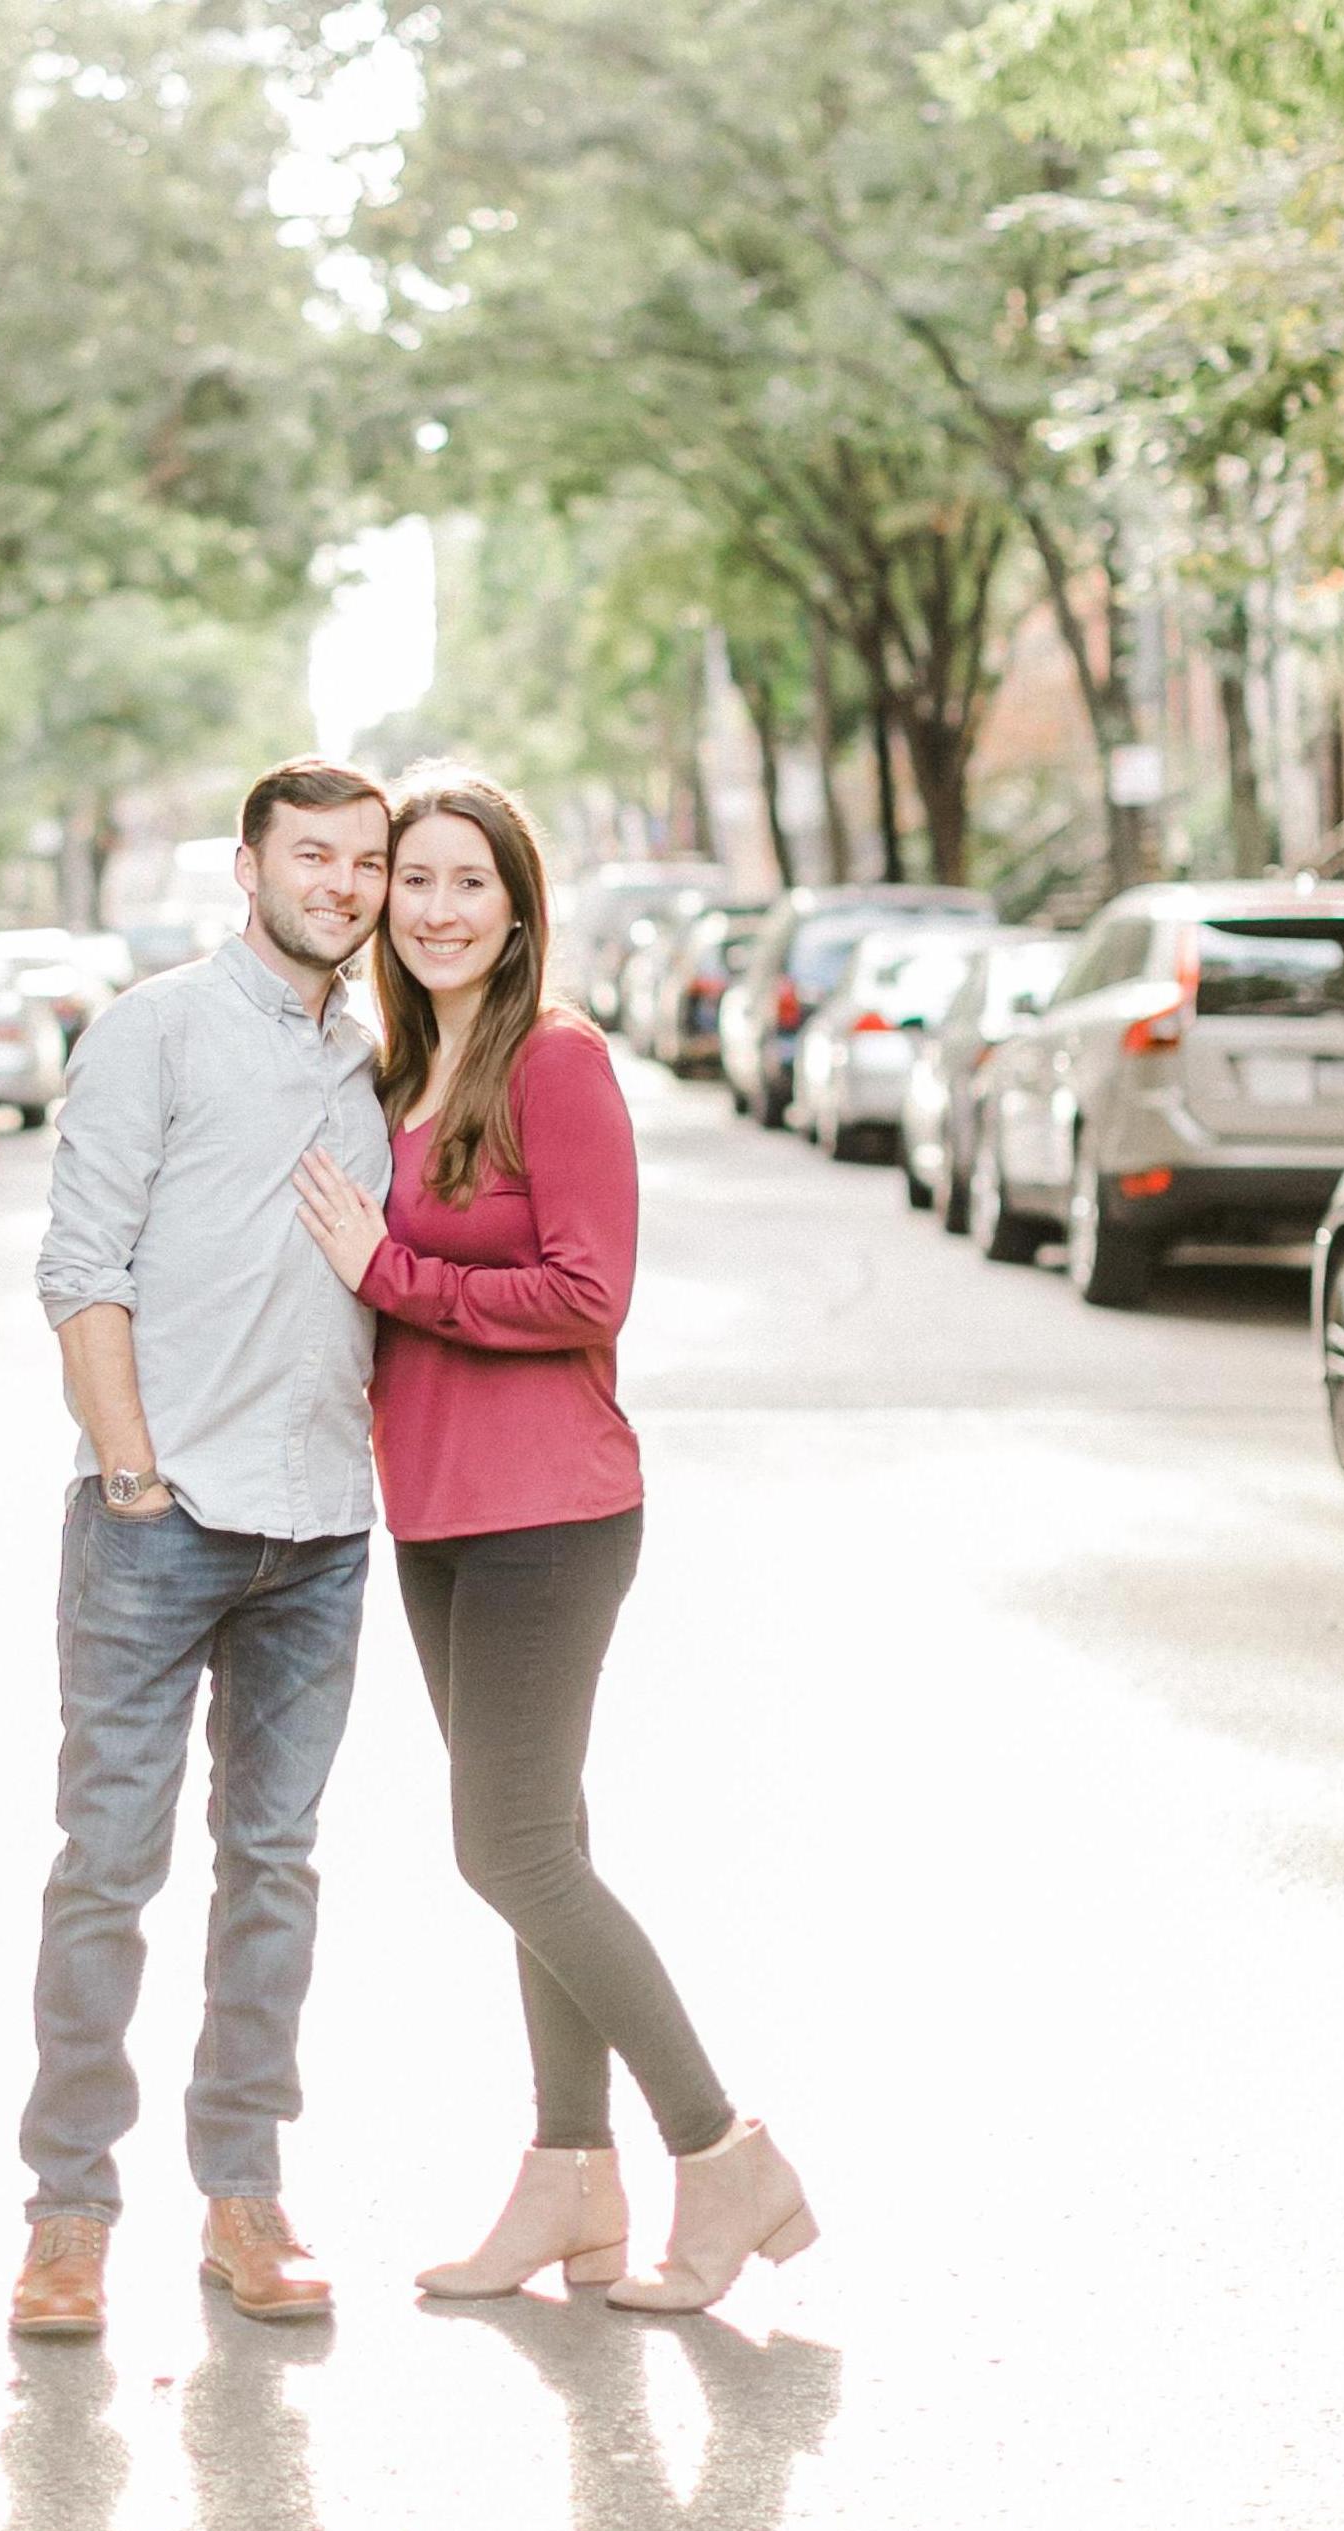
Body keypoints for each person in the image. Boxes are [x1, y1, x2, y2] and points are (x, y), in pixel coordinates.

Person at [292, 767, 816, 2315]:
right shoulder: (394, 1077)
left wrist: (396, 1275)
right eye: (418, 880)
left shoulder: (560, 1065)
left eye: (471, 882)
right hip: (438, 1510)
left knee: (505, 1845)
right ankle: (571, 2182)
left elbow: (592, 1293)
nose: (439, 908)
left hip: (553, 1512)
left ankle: (719, 2152)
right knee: (542, 1856)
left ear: (519, 911)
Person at [14, 757, 394, 2339]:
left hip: (321, 1532)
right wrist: (128, 1475)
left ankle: (244, 2192)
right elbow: (80, 1265)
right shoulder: (155, 1029)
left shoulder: (379, 1058)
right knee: (109, 1868)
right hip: (157, 1527)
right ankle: (67, 2213)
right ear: (249, 866)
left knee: (277, 1871)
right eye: (315, 857)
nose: (349, 887)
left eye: (368, 862)